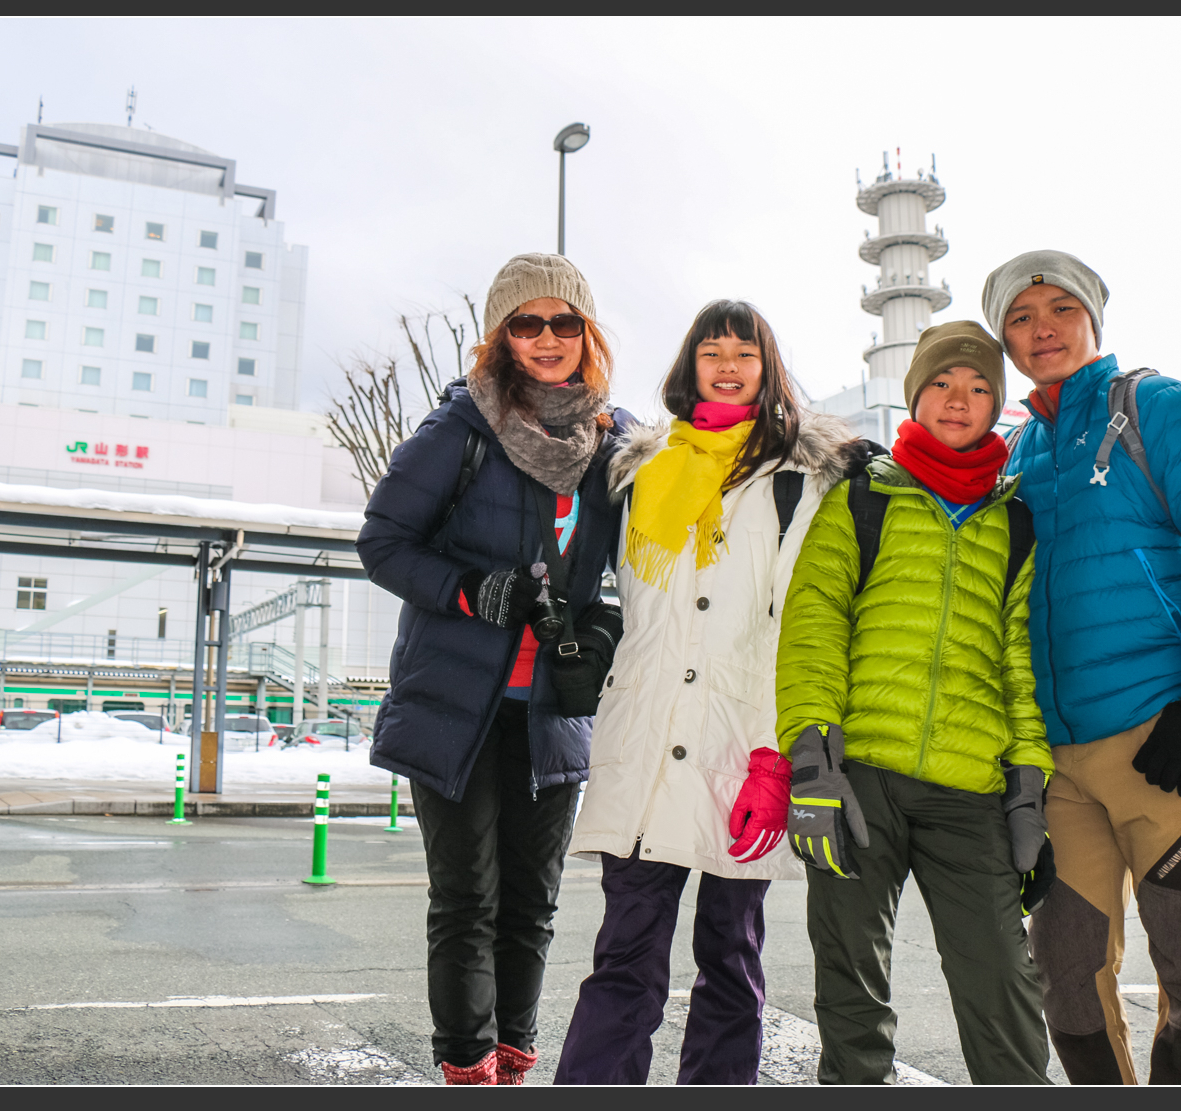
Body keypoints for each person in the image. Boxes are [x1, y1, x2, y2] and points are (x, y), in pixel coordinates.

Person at [984, 250, 1181, 1085]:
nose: (1043, 328)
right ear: (1005, 340)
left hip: (1164, 732)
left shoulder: (1160, 408)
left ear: (1094, 318)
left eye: (1061, 308)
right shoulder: (1016, 451)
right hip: (1057, 757)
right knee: (1065, 975)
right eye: (1020, 317)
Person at [553, 300, 866, 1085]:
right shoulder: (641, 473)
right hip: (644, 746)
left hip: (739, 744)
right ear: (690, 365)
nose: (728, 365)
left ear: (768, 370)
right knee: (623, 953)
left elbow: (795, 626)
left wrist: (774, 756)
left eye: (744, 353)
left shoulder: (800, 481)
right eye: (712, 351)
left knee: (730, 955)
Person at [356, 253, 635, 1085]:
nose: (547, 337)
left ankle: (513, 1061)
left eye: (564, 321)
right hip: (456, 702)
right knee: (467, 899)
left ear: (587, 334)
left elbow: (654, 548)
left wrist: (605, 616)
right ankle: (467, 1067)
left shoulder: (615, 442)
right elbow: (382, 542)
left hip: (554, 705)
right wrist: (470, 589)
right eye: (526, 322)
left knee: (533, 903)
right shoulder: (461, 429)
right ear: (500, 337)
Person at [774, 320, 1054, 1085]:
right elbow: (814, 626)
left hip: (972, 787)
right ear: (915, 396)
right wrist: (812, 762)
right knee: (850, 977)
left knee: (1002, 978)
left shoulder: (1015, 521)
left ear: (996, 405)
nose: (959, 399)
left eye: (979, 387)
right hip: (860, 776)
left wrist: (1028, 784)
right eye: (942, 383)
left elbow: (1020, 662)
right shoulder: (863, 497)